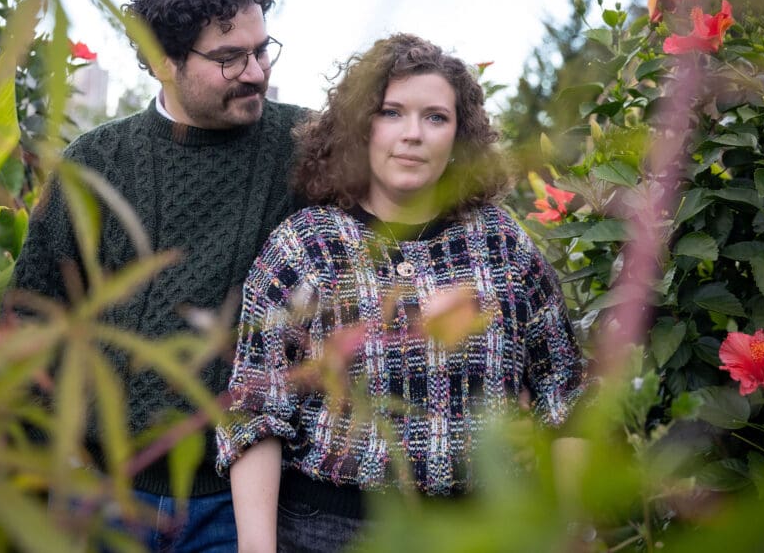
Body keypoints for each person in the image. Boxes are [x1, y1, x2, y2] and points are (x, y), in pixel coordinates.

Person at [216, 33, 586, 552]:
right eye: (392, 112)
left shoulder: (502, 245)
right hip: (331, 530)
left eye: (436, 117)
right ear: (360, 127)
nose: (413, 134)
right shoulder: (306, 246)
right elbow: (255, 412)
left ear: (460, 138)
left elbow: (564, 393)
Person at [6, 0, 307, 552]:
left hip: (241, 503)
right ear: (162, 62)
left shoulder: (304, 148)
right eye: (229, 58)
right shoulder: (95, 162)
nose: (256, 72)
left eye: (262, 49)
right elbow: (33, 318)